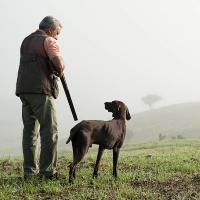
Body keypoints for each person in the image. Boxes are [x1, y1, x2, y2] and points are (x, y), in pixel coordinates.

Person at [15, 16, 65, 179]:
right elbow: (58, 63)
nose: (57, 37)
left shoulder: (26, 41)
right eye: (57, 33)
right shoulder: (49, 41)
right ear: (50, 29)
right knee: (49, 131)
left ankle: (29, 172)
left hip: (24, 90)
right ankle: (47, 172)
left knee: (29, 132)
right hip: (41, 90)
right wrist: (61, 68)